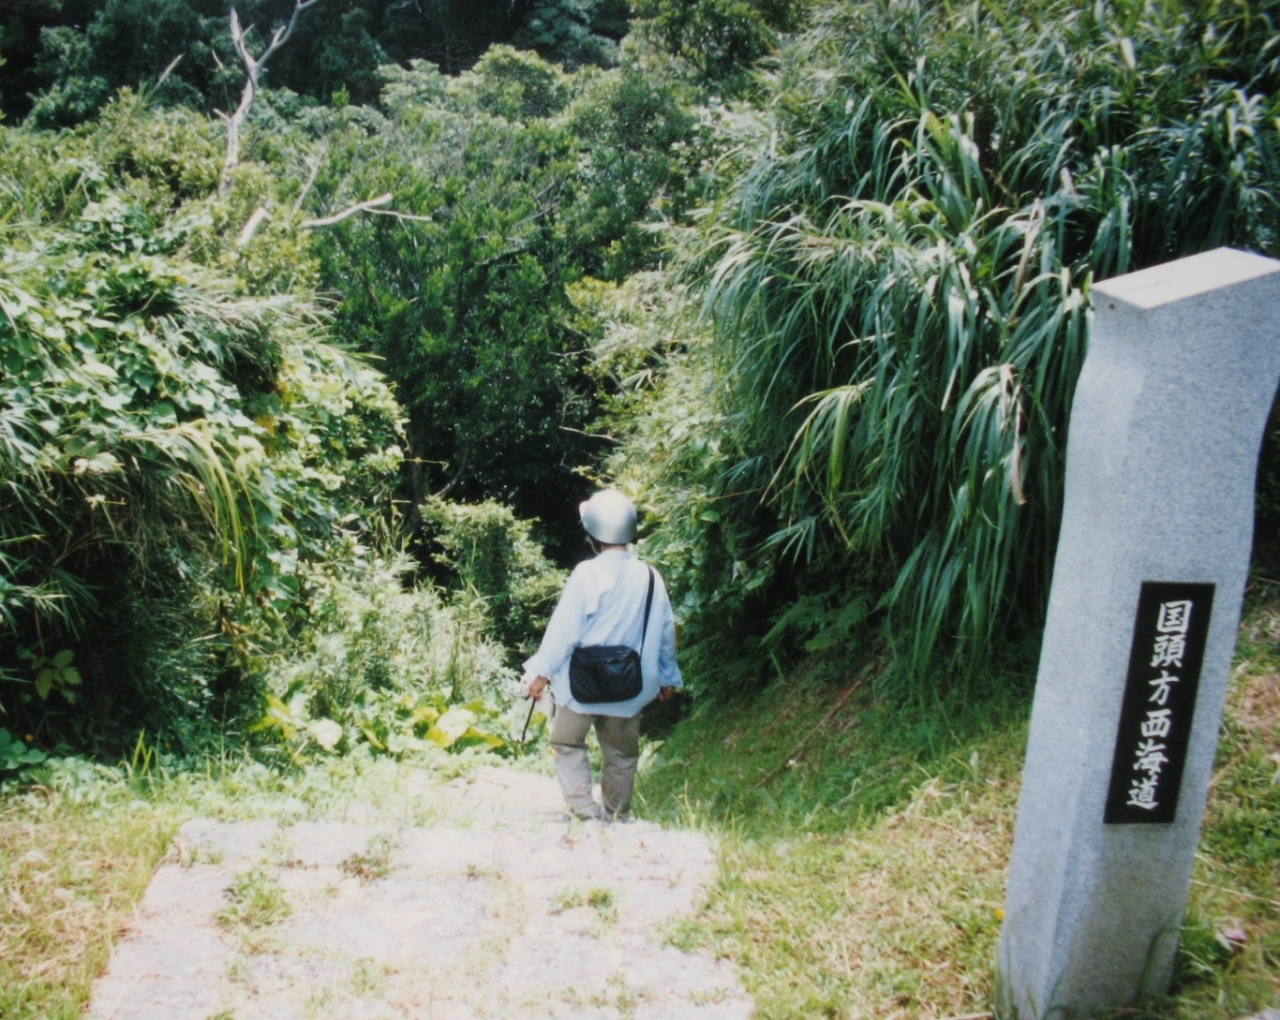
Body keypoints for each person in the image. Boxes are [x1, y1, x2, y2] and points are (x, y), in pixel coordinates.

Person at [523, 490, 682, 821]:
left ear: (593, 536)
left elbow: (564, 630)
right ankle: (617, 817)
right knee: (622, 754)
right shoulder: (650, 576)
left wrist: (540, 674)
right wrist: (668, 678)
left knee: (567, 743)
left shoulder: (587, 573)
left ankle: (586, 814)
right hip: (630, 686)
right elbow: (665, 631)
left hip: (581, 685)